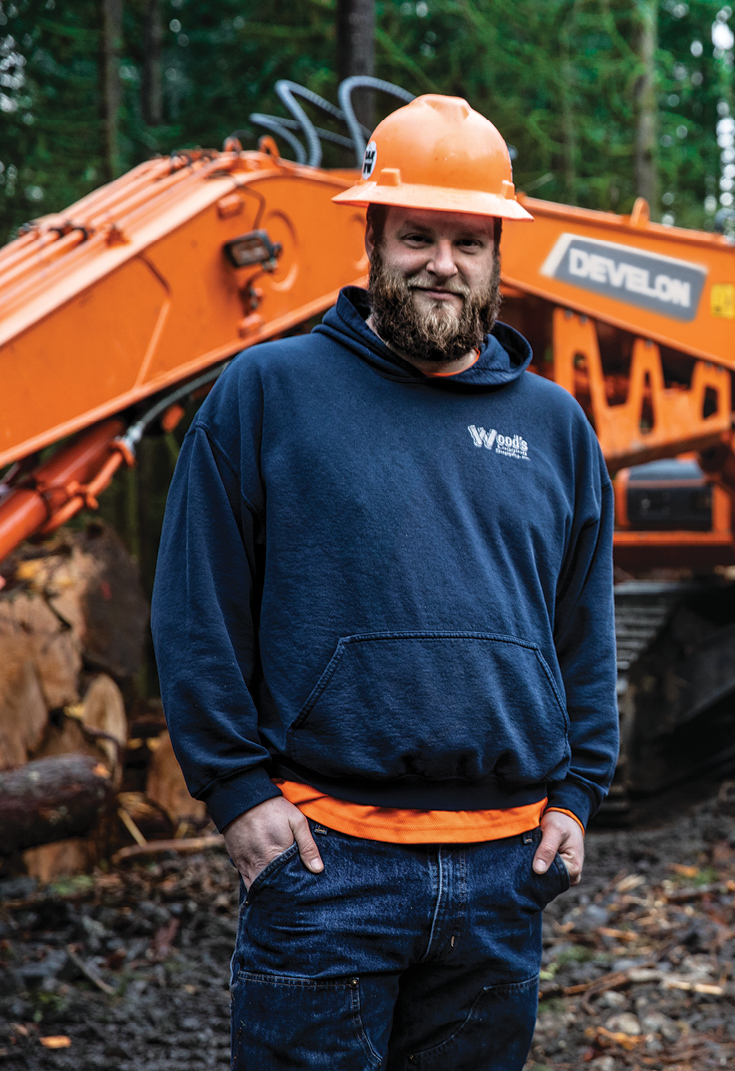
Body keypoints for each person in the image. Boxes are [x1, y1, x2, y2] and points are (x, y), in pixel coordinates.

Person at [152, 95, 618, 1069]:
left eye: (467, 240)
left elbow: (585, 630)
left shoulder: (554, 427)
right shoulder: (268, 392)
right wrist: (237, 792)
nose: (442, 262)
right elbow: (196, 608)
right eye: (417, 235)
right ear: (374, 237)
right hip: (327, 866)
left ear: (497, 255)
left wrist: (577, 792)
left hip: (502, 877)